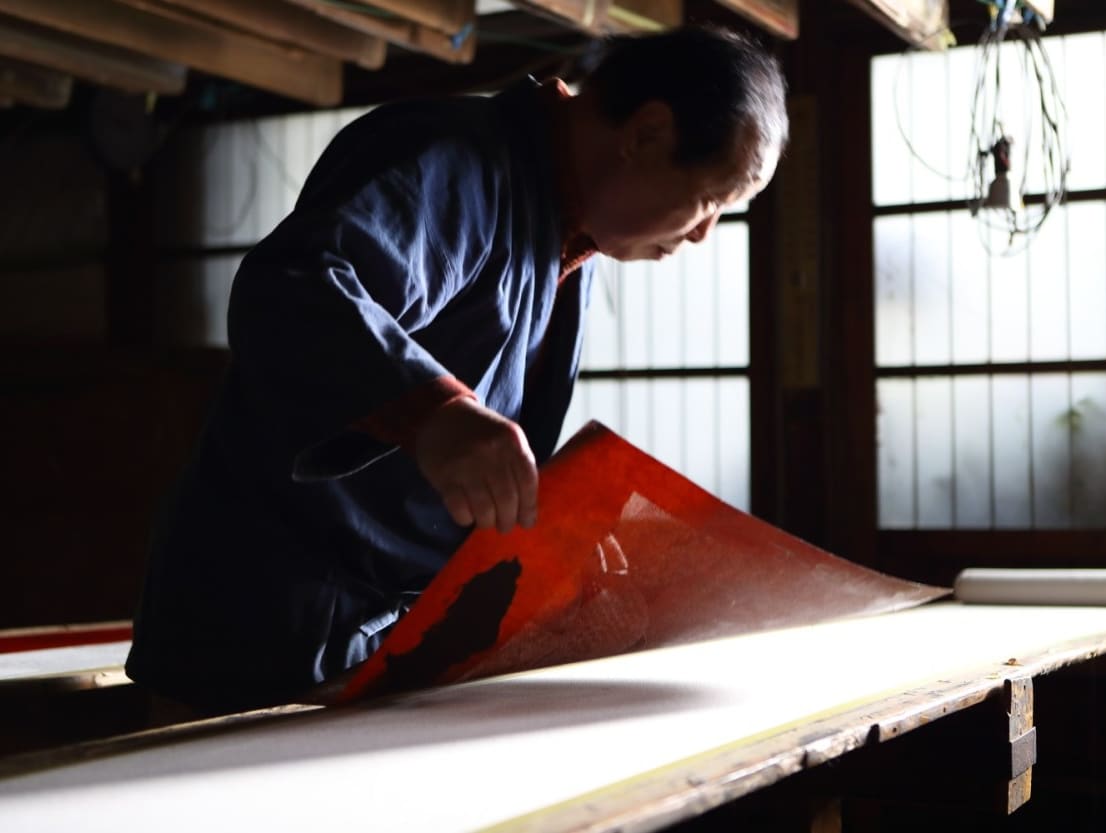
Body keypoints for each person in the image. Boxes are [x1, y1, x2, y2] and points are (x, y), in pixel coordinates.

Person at [125, 24, 788, 711]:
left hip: (382, 631)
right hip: (262, 609)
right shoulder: (452, 157)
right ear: (647, 133)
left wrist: (554, 536)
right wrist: (435, 411)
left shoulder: (570, 234)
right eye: (710, 200)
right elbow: (294, 287)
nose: (704, 234)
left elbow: (481, 462)